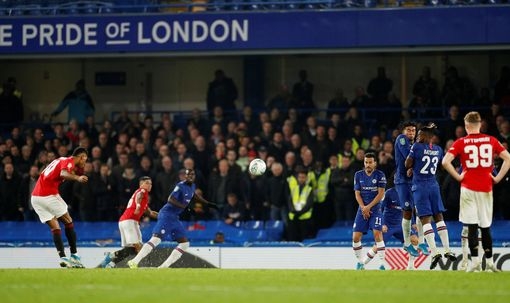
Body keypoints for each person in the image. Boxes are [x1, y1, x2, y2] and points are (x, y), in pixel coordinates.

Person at [442, 111, 510, 272]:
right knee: (485, 226)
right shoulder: (491, 140)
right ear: (480, 124)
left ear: (466, 126)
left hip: (468, 188)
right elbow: (508, 158)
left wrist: (458, 177)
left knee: (471, 226)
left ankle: (475, 263)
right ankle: (490, 263)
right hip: (486, 188)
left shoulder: (461, 142)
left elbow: (445, 162)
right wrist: (498, 177)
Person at [127, 168, 218, 268]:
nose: (191, 176)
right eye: (188, 175)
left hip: (174, 218)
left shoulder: (192, 186)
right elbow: (170, 199)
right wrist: (185, 207)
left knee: (184, 244)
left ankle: (163, 267)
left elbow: (194, 195)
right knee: (156, 240)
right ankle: (134, 262)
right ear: (185, 176)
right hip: (166, 214)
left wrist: (208, 204)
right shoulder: (180, 186)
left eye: (193, 175)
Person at [405, 124, 456, 270]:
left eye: (421, 134)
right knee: (439, 216)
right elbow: (439, 167)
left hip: (420, 187)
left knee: (425, 219)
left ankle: (434, 253)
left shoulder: (417, 147)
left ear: (428, 136)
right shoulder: (439, 150)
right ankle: (447, 249)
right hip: (433, 185)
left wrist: (411, 167)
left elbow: (407, 163)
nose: (418, 137)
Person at [30, 146, 89, 268]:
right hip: (48, 195)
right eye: (85, 159)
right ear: (81, 156)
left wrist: (76, 173)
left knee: (55, 227)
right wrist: (77, 177)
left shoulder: (60, 160)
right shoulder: (68, 162)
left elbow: (60, 173)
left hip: (35, 198)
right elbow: (63, 173)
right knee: (69, 221)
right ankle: (74, 256)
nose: (85, 162)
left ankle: (63, 257)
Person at [98, 176, 158, 268]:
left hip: (124, 221)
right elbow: (139, 196)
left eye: (151, 184)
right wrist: (138, 206)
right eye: (147, 183)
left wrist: (164, 216)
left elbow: (150, 213)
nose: (149, 185)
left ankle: (111, 262)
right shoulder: (142, 191)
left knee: (131, 249)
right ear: (141, 184)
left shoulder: (143, 199)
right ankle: (142, 265)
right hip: (130, 221)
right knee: (138, 247)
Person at [393, 121, 426, 257]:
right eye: (408, 130)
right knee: (407, 211)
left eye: (413, 130)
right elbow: (409, 156)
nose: (411, 133)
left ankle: (422, 242)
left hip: (414, 181)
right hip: (402, 181)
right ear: (403, 131)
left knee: (420, 210)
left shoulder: (415, 143)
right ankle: (407, 244)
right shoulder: (401, 139)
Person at [352, 152, 387, 270]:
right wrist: (363, 207)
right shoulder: (358, 175)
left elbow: (381, 194)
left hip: (376, 209)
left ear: (375, 163)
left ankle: (382, 264)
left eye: (370, 162)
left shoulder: (380, 175)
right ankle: (361, 263)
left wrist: (368, 207)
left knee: (377, 235)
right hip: (362, 209)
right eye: (366, 162)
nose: (368, 165)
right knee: (356, 238)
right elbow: (357, 194)